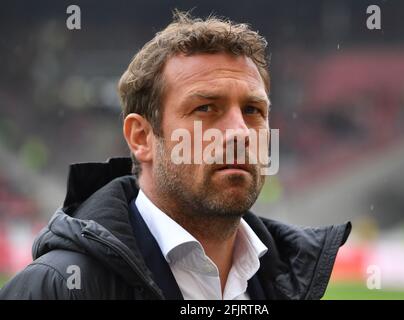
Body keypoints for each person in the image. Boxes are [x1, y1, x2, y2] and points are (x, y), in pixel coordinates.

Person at [0, 11, 350, 300]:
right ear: (142, 138)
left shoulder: (292, 283)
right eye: (206, 107)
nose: (240, 132)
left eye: (253, 110)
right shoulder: (56, 288)